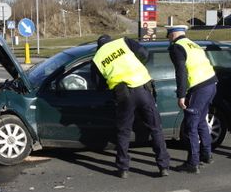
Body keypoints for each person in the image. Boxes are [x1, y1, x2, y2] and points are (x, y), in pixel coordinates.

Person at [92, 35, 171, 179]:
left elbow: (99, 85)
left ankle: (123, 168)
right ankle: (163, 166)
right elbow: (144, 54)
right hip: (143, 88)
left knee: (124, 132)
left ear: (99, 47)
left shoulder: (97, 58)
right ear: (111, 41)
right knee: (155, 128)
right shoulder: (123, 42)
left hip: (123, 95)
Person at [167, 24, 217, 174]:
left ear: (173, 34)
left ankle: (193, 162)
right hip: (212, 84)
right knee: (201, 121)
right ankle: (206, 155)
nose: (169, 38)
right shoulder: (193, 44)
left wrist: (181, 95)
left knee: (190, 126)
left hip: (199, 87)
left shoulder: (177, 47)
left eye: (169, 35)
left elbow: (181, 72)